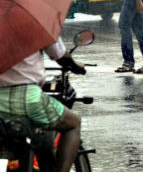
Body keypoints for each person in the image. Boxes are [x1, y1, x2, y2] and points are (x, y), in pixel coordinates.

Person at [0, 38, 84, 172]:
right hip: (28, 99)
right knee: (73, 123)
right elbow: (61, 56)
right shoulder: (34, 25)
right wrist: (76, 66)